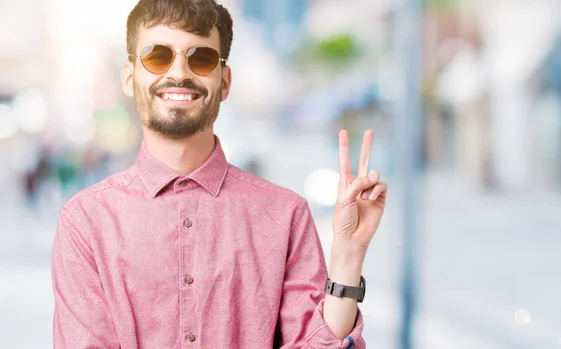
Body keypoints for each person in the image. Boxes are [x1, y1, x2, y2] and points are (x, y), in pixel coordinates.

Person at [50, 0, 388, 348]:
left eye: (200, 59)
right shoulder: (86, 221)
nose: (179, 73)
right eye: (157, 56)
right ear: (129, 76)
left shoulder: (286, 214)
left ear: (224, 82)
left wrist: (349, 252)